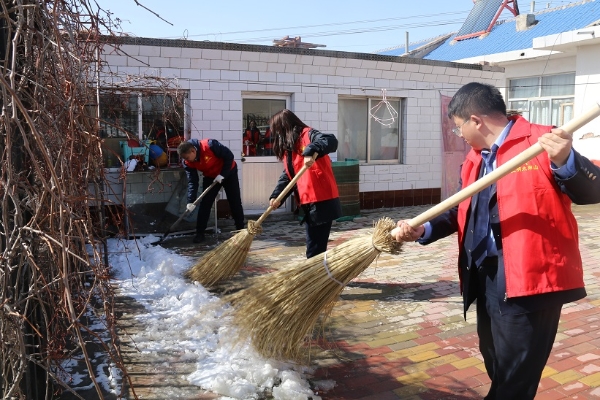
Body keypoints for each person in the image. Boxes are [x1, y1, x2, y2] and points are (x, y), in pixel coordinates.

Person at [393, 82, 600, 400]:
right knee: (496, 363)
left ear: (476, 121)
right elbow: (460, 209)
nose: (459, 135)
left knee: (515, 378)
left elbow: (593, 192)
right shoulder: (475, 159)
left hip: (531, 281)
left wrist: (565, 160)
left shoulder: (542, 142)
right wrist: (424, 230)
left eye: (458, 127)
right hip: (485, 277)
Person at [268, 109, 342, 258]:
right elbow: (289, 176)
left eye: (277, 131)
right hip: (309, 202)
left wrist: (311, 150)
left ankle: (316, 271)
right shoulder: (289, 147)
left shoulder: (308, 135)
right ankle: (318, 270)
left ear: (284, 127)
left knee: (315, 249)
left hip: (322, 200)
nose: (276, 136)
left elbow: (331, 140)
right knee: (314, 247)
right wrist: (276, 196)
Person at [177, 139, 245, 243]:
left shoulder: (210, 145)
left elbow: (229, 156)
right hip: (210, 177)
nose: (187, 160)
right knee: (205, 204)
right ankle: (200, 233)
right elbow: (193, 182)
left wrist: (223, 174)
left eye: (187, 157)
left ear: (193, 151)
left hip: (228, 172)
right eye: (184, 158)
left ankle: (241, 230)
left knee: (234, 201)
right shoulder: (187, 162)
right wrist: (191, 201)